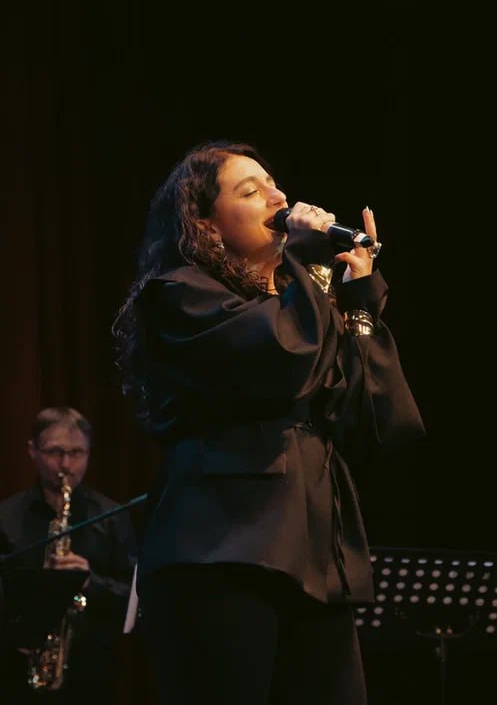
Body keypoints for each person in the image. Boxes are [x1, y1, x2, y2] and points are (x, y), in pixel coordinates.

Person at [111, 139, 426, 705]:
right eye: (251, 191)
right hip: (223, 549)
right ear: (205, 225)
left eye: (274, 185)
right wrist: (310, 266)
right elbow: (281, 361)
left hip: (315, 551)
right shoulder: (181, 296)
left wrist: (357, 302)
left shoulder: (303, 306)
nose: (279, 198)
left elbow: (382, 421)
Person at [0, 406, 138, 705]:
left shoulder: (112, 517)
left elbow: (134, 601)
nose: (66, 464)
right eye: (55, 452)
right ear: (32, 451)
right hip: (16, 674)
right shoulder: (6, 518)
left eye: (77, 453)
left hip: (93, 673)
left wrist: (90, 582)